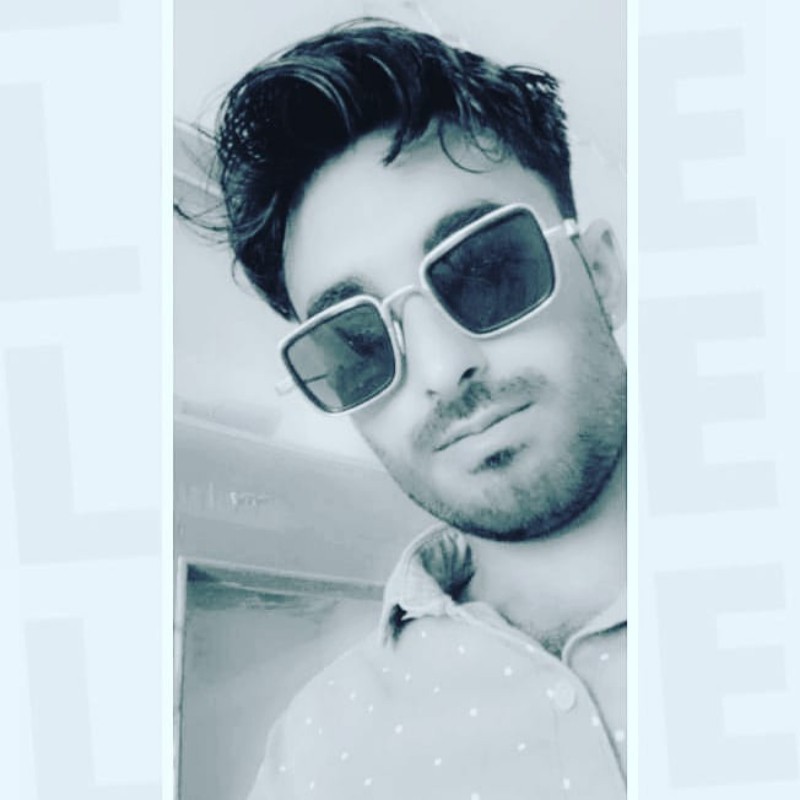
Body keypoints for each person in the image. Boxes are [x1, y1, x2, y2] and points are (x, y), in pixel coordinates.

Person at [195, 20, 626, 800]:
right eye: (356, 341)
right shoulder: (314, 757)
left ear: (600, 272)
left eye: (485, 267)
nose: (440, 367)